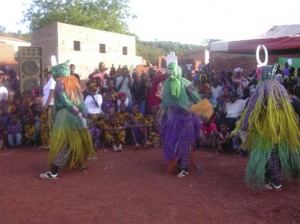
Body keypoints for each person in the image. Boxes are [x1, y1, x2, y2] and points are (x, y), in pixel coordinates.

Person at [236, 63, 300, 190]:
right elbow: (288, 105)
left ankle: (276, 181)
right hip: (281, 125)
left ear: (263, 74)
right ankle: (269, 178)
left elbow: (252, 108)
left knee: (270, 152)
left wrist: (244, 126)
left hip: (267, 125)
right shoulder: (280, 87)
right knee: (273, 150)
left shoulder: (262, 88)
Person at [39, 60, 95, 179]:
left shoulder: (60, 84)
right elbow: (80, 101)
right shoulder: (73, 83)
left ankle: (54, 171)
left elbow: (66, 102)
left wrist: (78, 112)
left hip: (66, 116)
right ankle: (81, 163)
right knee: (79, 140)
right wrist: (82, 113)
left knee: (65, 143)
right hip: (77, 117)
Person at [160, 52, 202, 178]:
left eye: (174, 70)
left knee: (185, 141)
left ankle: (184, 167)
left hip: (185, 118)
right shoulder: (166, 84)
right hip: (172, 119)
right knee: (173, 141)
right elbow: (165, 102)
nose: (172, 73)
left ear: (179, 70)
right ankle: (179, 163)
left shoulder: (186, 83)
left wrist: (199, 111)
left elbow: (196, 98)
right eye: (170, 70)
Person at [40, 67, 56, 148]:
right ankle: (46, 143)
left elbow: (52, 94)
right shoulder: (48, 81)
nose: (47, 74)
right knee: (45, 124)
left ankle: (51, 144)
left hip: (50, 105)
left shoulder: (52, 80)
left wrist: (46, 105)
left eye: (48, 72)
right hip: (46, 105)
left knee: (50, 125)